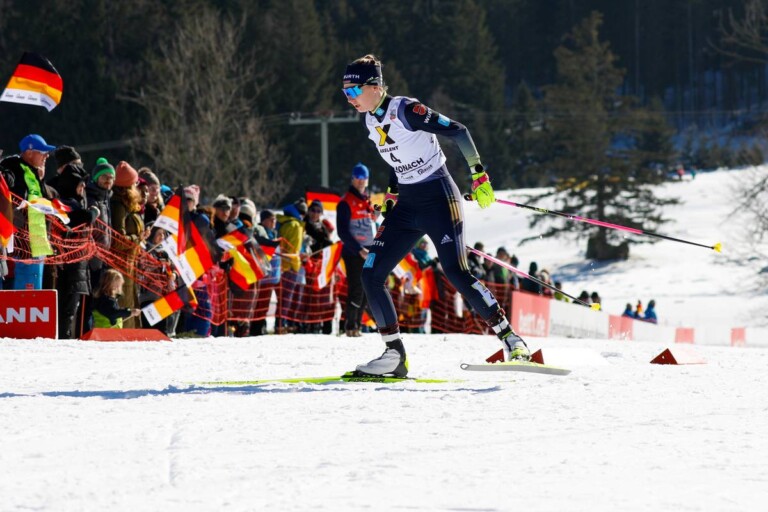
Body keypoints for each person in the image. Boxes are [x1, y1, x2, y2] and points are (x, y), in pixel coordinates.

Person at [342, 54, 529, 377]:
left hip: (440, 197)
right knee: (371, 274)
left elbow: (458, 131)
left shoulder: (405, 110)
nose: (349, 98)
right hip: (408, 206)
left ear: (374, 87)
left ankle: (512, 339)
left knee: (456, 271)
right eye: (345, 92)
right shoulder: (370, 120)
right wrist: (392, 193)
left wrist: (478, 174)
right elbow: (395, 157)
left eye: (354, 91)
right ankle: (394, 355)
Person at [0, 134, 58, 289]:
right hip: (21, 244)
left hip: (36, 243)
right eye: (42, 152)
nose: (46, 156)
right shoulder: (13, 167)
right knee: (23, 296)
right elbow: (7, 181)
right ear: (29, 152)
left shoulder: (33, 172)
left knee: (33, 294)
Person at [336, 163, 376, 337]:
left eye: (363, 178)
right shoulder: (346, 202)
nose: (360, 182)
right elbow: (342, 231)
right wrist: (359, 249)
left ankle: (357, 325)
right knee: (356, 289)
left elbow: (371, 225)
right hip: (354, 252)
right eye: (358, 178)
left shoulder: (367, 201)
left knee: (368, 290)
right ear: (352, 179)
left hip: (370, 251)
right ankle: (350, 326)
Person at [110, 161, 145, 328]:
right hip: (121, 265)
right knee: (124, 302)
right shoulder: (118, 205)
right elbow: (118, 240)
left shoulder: (126, 205)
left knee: (131, 300)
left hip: (129, 263)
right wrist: (138, 239)